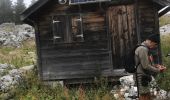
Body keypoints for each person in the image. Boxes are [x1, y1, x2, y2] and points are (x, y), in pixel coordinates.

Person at [134, 34, 166, 100]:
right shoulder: (142, 49)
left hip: (144, 76)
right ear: (150, 41)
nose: (154, 46)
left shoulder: (144, 48)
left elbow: (146, 63)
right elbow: (145, 66)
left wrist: (157, 66)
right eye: (154, 44)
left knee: (147, 95)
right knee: (144, 96)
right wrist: (158, 70)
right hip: (141, 77)